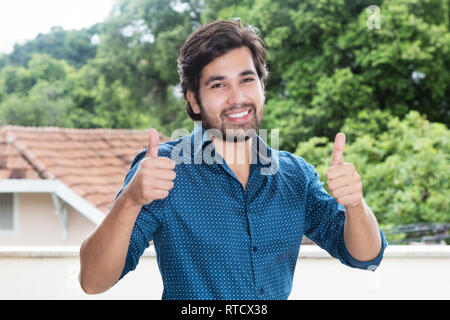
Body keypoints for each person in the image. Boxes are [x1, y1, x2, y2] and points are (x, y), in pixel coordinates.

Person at [79, 19, 388, 300]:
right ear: (193, 100)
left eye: (246, 79)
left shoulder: (295, 176)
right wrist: (131, 200)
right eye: (218, 84)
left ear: (262, 87)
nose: (237, 97)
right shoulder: (162, 169)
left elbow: (365, 256)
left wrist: (356, 204)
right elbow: (93, 281)